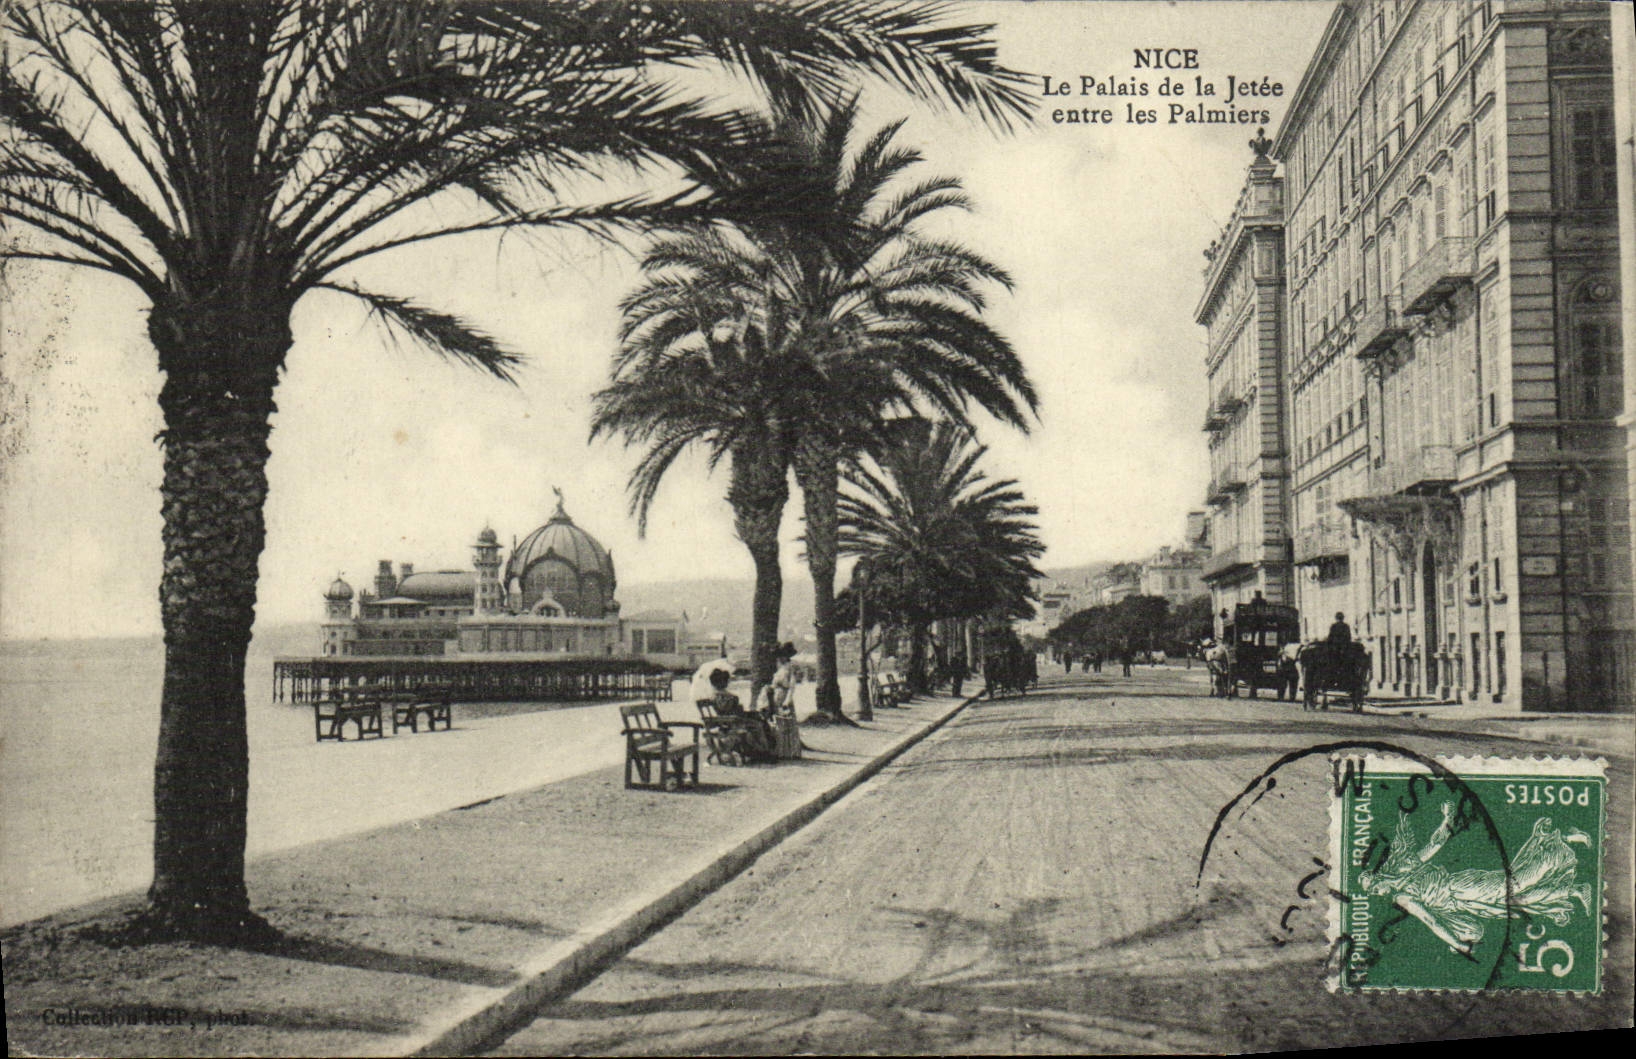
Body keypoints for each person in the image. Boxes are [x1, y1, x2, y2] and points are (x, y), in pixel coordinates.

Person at [707, 666, 774, 763]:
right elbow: (726, 710)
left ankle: (762, 751)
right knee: (757, 726)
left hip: (733, 719)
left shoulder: (721, 694)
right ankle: (762, 752)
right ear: (720, 683)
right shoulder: (719, 696)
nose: (726, 683)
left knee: (759, 721)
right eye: (725, 681)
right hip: (730, 722)